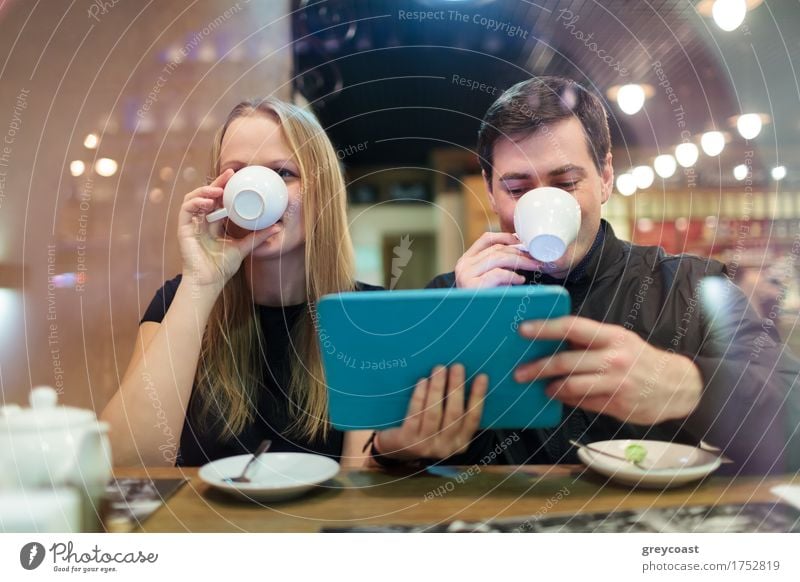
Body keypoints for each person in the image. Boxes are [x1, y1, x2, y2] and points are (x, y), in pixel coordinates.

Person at [372, 76, 800, 474]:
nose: (542, 204)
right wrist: (397, 448)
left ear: (605, 178)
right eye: (518, 190)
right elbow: (388, 453)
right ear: (490, 190)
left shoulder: (692, 288)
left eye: (566, 183)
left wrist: (689, 386)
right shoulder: (447, 298)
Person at [101, 97, 486, 468]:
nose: (256, 189)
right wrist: (201, 283)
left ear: (321, 192)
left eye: (282, 173)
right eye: (238, 174)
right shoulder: (179, 301)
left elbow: (358, 481)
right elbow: (126, 460)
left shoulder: (366, 315)